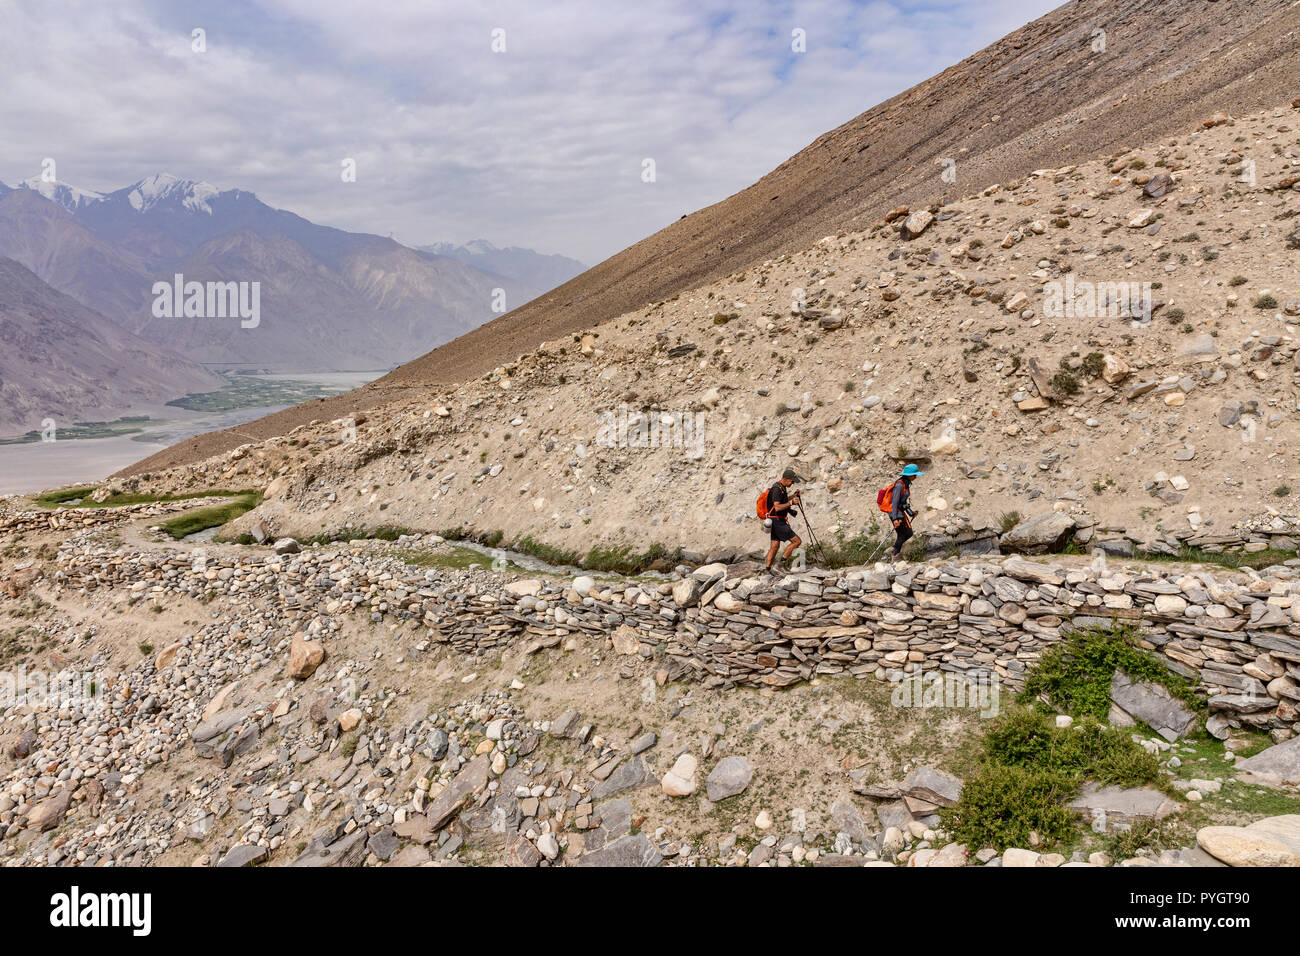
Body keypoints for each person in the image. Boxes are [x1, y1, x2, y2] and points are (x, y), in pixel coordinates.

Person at [764, 468, 803, 571]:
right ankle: (781, 565)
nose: (793, 483)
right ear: (786, 479)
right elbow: (777, 507)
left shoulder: (781, 487)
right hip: (778, 521)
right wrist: (791, 503)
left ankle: (767, 570)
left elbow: (782, 500)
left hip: (773, 521)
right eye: (792, 481)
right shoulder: (777, 489)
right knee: (797, 541)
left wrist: (793, 496)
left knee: (774, 546)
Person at [889, 464, 923, 560]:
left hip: (899, 512)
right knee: (904, 533)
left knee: (906, 533)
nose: (916, 476)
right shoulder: (899, 485)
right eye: (914, 474)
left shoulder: (906, 483)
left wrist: (911, 513)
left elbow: (902, 502)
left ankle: (894, 552)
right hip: (895, 513)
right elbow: (894, 503)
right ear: (908, 475)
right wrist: (895, 518)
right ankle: (895, 553)